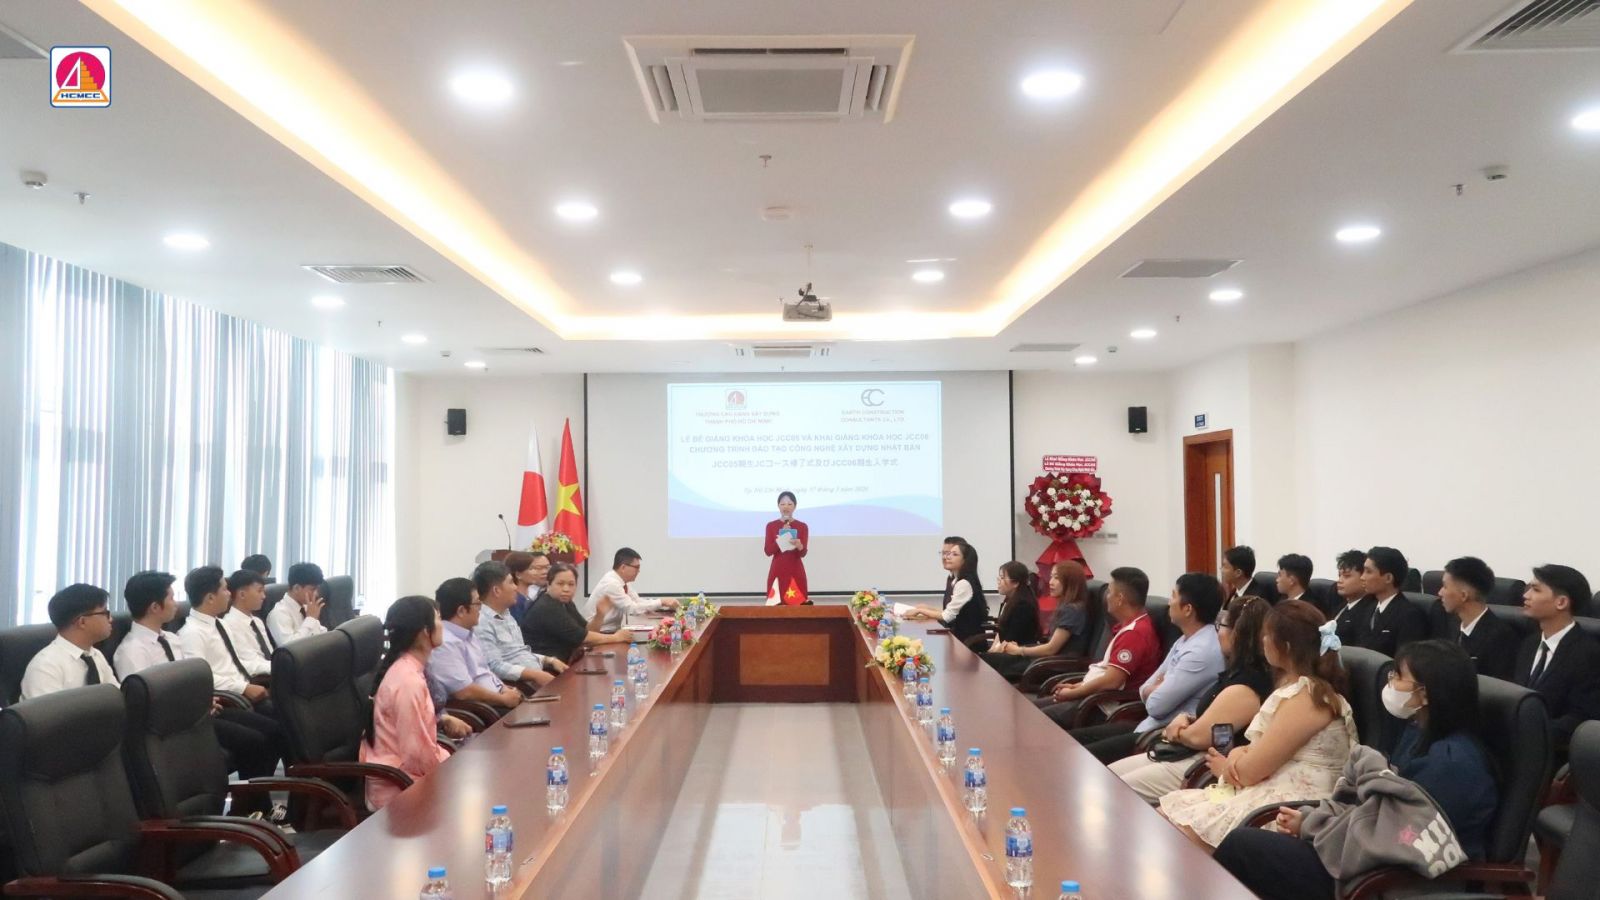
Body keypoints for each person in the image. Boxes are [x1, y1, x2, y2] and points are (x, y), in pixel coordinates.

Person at [1214, 640, 1498, 899]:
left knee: (1243, 846)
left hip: (1388, 878)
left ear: (1425, 693)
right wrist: (1316, 820)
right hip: (1365, 857)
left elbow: (1397, 835)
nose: (1391, 683)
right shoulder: (1418, 732)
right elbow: (1379, 807)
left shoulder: (1453, 765)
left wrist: (1314, 827)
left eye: (1399, 676)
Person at [1158, 599, 1358, 850]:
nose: (1262, 641)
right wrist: (1237, 756)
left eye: (1267, 635)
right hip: (1270, 790)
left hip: (1290, 809)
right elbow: (1254, 753)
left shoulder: (1308, 698)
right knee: (1166, 815)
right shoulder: (1297, 690)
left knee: (1173, 834)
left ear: (1284, 646)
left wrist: (1230, 764)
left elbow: (1249, 772)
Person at [115, 570, 285, 786]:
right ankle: (252, 802)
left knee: (273, 731)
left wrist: (201, 700)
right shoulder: (132, 651)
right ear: (155, 607)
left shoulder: (171, 639)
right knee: (255, 741)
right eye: (171, 598)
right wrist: (196, 704)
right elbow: (144, 703)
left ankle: (256, 801)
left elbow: (189, 680)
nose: (177, 604)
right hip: (174, 724)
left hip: (199, 711)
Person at [1108, 595, 1274, 802]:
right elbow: (1215, 725)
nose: (1218, 632)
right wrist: (1187, 719)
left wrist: (1178, 731)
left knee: (1113, 790)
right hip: (1190, 753)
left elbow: (1201, 737)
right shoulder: (1236, 672)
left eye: (1221, 626)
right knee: (1106, 775)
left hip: (1204, 766)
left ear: (1237, 634)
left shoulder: (1247, 686)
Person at [1069, 573, 1226, 762]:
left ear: (1187, 609)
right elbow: (1146, 687)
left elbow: (1155, 706)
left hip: (1163, 736)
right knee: (1072, 741)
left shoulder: (1201, 652)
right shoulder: (1185, 639)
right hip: (1148, 725)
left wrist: (1157, 687)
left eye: (1174, 596)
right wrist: (1156, 687)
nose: (1169, 602)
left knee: (1083, 757)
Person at [361, 595, 472, 811]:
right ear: (424, 631)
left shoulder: (411, 669)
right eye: (438, 618)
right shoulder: (408, 681)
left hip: (410, 778)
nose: (442, 624)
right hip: (399, 788)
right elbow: (417, 756)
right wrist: (452, 767)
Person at [1037, 567, 1160, 728]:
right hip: (1094, 697)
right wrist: (1078, 685)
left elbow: (1112, 681)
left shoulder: (1135, 633)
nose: (1106, 597)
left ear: (1120, 598)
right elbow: (1105, 671)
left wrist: (1074, 693)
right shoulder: (1127, 626)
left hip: (1105, 707)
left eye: (1110, 592)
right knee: (1030, 709)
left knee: (1036, 719)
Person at [1514, 564, 1600, 751]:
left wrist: (1528, 733)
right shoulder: (1529, 643)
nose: (1526, 595)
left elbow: (1580, 718)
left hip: (1554, 751)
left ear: (1561, 602)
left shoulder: (1588, 654)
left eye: (1536, 590)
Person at [178, 565, 273, 710]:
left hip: (245, 685)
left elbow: (236, 662)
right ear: (210, 598)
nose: (229, 594)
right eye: (225, 589)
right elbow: (201, 678)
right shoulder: (192, 633)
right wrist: (243, 688)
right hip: (228, 698)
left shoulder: (220, 624)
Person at [984, 561, 1096, 682]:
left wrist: (1020, 650)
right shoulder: (1068, 607)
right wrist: (1020, 648)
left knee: (986, 663)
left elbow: (1051, 649)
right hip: (1045, 662)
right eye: (1051, 577)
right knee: (987, 661)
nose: (1051, 582)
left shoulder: (1072, 610)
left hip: (1054, 667)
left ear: (1070, 582)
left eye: (1056, 578)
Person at [426, 577, 524, 713]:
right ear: (461, 611)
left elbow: (485, 673)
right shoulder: (445, 643)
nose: (481, 609)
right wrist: (503, 699)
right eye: (477, 604)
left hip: (498, 699)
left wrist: (505, 689)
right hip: (484, 709)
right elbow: (463, 691)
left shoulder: (469, 633)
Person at [472, 560, 564, 689]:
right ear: (496, 591)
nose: (516, 587)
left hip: (535, 681)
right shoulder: (481, 622)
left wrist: (548, 660)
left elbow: (519, 653)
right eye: (511, 582)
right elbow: (494, 666)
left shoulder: (506, 615)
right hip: (518, 688)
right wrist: (535, 675)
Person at [20, 584, 117, 699]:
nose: (111, 619)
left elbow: (117, 696)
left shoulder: (95, 655)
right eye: (105, 613)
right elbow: (48, 710)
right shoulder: (45, 666)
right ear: (82, 622)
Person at [522, 563, 635, 662]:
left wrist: (600, 614)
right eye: (560, 583)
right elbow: (584, 639)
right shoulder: (547, 607)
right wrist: (617, 637)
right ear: (548, 584)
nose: (566, 589)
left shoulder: (566, 603)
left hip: (564, 663)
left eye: (571, 584)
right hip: (545, 668)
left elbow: (587, 631)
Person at [1433, 556, 1518, 681]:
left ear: (1463, 595)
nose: (1440, 593)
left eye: (1445, 587)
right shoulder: (1449, 622)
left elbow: (1496, 686)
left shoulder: (1500, 636)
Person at [904, 539, 989, 643]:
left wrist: (920, 611)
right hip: (957, 637)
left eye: (954, 554)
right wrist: (928, 608)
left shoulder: (964, 583)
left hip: (966, 642)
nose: (947, 557)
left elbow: (947, 616)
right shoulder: (956, 580)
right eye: (948, 553)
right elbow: (951, 611)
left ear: (965, 560)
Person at [584, 548, 676, 634]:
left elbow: (638, 601)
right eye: (636, 567)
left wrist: (662, 604)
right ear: (623, 567)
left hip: (611, 631)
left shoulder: (622, 582)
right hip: (599, 632)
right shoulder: (612, 584)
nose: (639, 571)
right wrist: (661, 602)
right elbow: (632, 609)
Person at [1359, 546, 1428, 656]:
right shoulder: (1369, 608)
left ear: (1388, 578)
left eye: (1368, 571)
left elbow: (1405, 659)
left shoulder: (1409, 615)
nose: (1362, 577)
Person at [223, 569, 277, 679]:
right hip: (256, 678)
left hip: (272, 673)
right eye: (259, 591)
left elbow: (269, 655)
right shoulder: (230, 624)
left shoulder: (257, 621)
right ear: (242, 594)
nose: (263, 596)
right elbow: (249, 662)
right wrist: (279, 667)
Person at [985, 561, 1042, 653]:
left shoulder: (1023, 606)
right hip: (1006, 650)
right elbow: (1001, 631)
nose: (998, 581)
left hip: (1017, 654)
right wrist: (991, 650)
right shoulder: (1010, 601)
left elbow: (1011, 640)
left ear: (1016, 583)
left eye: (1002, 578)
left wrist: (992, 653)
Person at [267, 562, 328, 645]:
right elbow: (289, 646)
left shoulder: (306, 607)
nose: (316, 594)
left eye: (317, 589)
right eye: (312, 589)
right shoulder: (279, 613)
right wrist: (310, 619)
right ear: (296, 588)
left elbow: (321, 632)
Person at [764, 491, 809, 601]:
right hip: (777, 571)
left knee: (797, 606)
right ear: (778, 506)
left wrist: (799, 545)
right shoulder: (771, 526)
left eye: (789, 504)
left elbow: (803, 553)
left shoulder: (802, 526)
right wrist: (781, 539)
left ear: (795, 506)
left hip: (795, 570)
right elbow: (768, 551)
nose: (786, 507)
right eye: (782, 504)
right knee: (776, 607)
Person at [1329, 549, 1374, 646]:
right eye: (1339, 575)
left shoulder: (1369, 611)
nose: (1339, 581)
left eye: (1347, 576)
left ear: (1364, 578)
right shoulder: (1341, 605)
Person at [504, 550, 549, 624]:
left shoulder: (527, 598)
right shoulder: (515, 601)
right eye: (531, 569)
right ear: (518, 575)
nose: (535, 572)